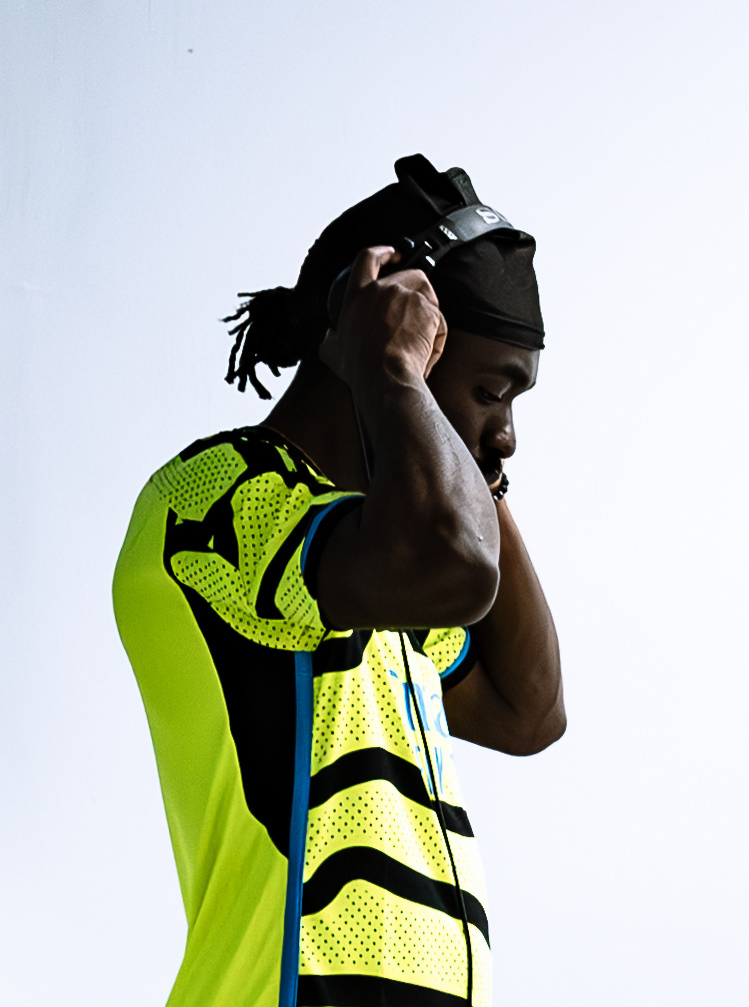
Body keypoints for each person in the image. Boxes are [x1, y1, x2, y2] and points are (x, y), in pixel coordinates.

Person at [113, 154, 565, 1007]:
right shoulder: (219, 496)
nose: (507, 433)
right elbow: (457, 566)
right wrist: (392, 374)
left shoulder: (375, 567)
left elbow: (528, 710)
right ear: (388, 342)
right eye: (490, 391)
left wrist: (480, 467)